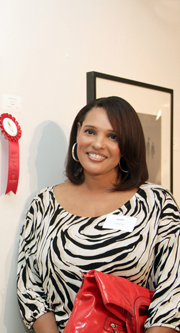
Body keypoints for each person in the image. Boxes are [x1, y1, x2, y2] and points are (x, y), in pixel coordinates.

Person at [17, 96, 180, 333]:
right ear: (78, 135)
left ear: (127, 145)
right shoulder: (43, 203)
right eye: (90, 131)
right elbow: (29, 286)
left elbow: (173, 293)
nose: (98, 144)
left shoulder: (157, 203)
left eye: (112, 136)